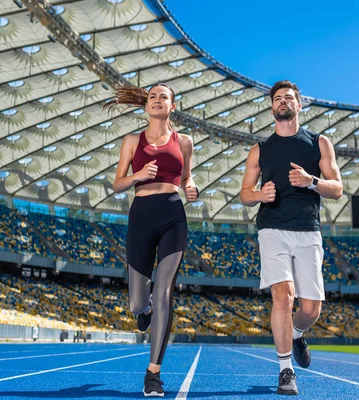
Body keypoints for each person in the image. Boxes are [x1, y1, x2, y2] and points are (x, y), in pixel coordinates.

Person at [239, 80, 343, 395]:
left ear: (299, 106)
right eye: (278, 98)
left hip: (308, 229)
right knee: (283, 295)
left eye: (289, 98)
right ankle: (286, 370)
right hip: (271, 228)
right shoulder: (260, 149)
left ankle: (297, 334)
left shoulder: (319, 143)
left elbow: (337, 188)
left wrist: (312, 181)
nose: (283, 102)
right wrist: (258, 195)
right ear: (272, 107)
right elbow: (244, 193)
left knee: (311, 309)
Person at [105, 83, 198, 397]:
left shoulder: (184, 141)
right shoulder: (132, 140)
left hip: (173, 214)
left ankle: (153, 374)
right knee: (136, 303)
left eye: (164, 97)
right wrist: (137, 176)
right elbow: (118, 183)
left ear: (173, 105)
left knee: (164, 292)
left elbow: (187, 178)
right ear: (146, 105)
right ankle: (141, 312)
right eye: (152, 97)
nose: (157, 100)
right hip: (141, 214)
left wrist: (191, 188)